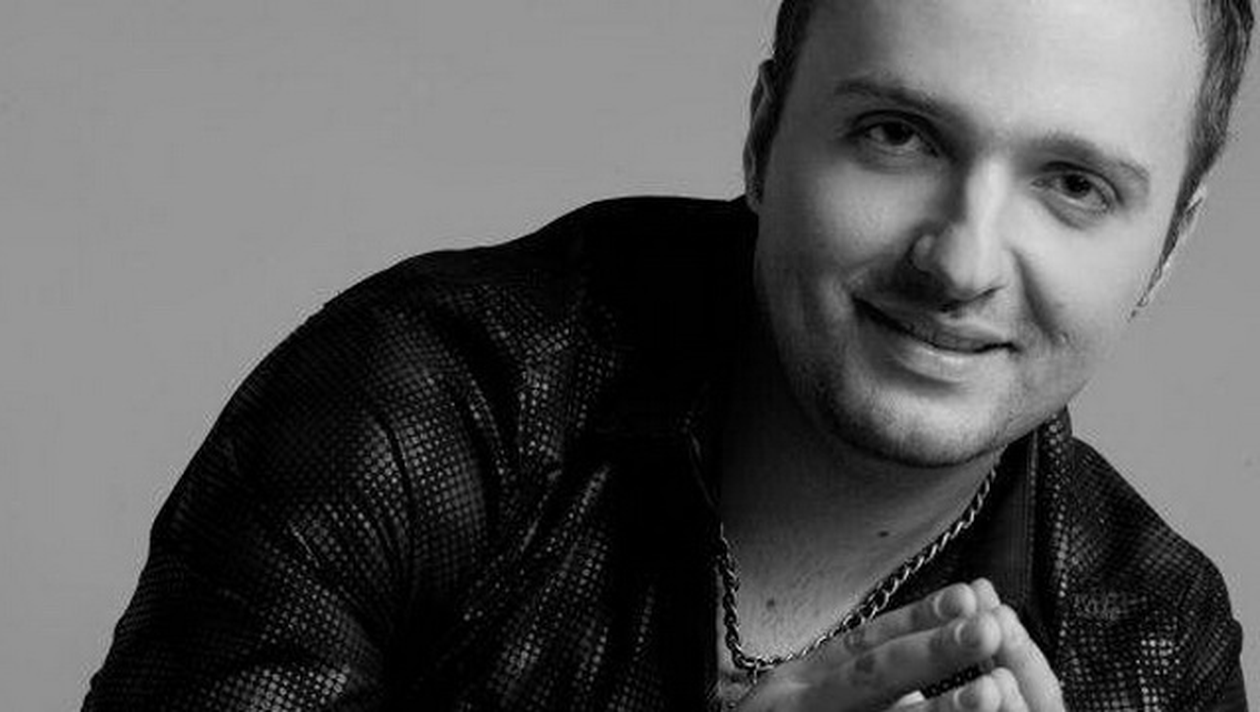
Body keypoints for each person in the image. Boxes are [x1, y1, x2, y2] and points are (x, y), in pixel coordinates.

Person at [84, 0, 1252, 710]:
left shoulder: (1153, 643)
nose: (961, 260)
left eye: (1075, 185)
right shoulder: (421, 399)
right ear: (763, 135)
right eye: (897, 135)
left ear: (1167, 246)